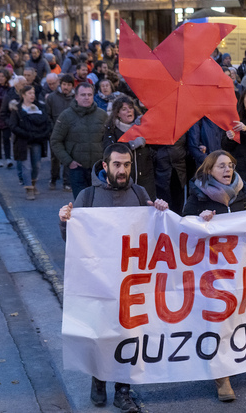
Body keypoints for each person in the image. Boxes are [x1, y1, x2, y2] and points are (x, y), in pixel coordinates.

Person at [58, 143, 168, 413]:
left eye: (127, 165)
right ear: (105, 165)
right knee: (101, 334)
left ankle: (123, 391)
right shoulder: (88, 196)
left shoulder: (139, 193)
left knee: (129, 336)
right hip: (99, 283)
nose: (122, 170)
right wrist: (65, 220)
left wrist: (161, 212)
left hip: (131, 282)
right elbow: (72, 239)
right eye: (117, 165)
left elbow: (155, 235)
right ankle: (98, 380)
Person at [181, 150, 246, 402]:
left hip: (240, 271)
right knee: (217, 321)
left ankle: (231, 360)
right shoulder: (197, 197)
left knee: (237, 319)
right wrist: (198, 220)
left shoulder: (243, 194)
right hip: (211, 274)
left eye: (230, 165)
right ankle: (222, 378)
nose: (228, 170)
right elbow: (183, 230)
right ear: (209, 170)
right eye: (221, 166)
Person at [50, 82, 108, 200]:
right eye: (83, 95)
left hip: (98, 169)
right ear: (76, 96)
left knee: (99, 203)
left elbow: (109, 140)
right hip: (77, 169)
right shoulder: (66, 116)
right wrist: (69, 161)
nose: (86, 97)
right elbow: (55, 141)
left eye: (89, 95)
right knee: (82, 203)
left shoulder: (102, 115)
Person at [102, 95, 156, 199]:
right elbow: (109, 151)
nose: (129, 111)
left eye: (131, 108)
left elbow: (155, 147)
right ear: (118, 113)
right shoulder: (111, 130)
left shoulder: (141, 127)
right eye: (124, 109)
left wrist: (146, 126)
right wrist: (131, 145)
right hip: (123, 179)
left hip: (146, 180)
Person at [9, 85, 52, 198]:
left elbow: (47, 123)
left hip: (37, 140)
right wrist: (27, 134)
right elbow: (13, 126)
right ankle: (29, 189)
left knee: (36, 165)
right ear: (23, 95)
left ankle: (33, 184)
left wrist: (42, 134)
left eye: (33, 93)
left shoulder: (40, 107)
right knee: (26, 166)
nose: (32, 95)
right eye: (29, 93)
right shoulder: (17, 109)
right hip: (23, 141)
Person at [46, 74, 76, 190]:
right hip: (55, 133)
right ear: (60, 84)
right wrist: (53, 129)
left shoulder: (76, 99)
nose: (66, 87)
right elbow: (47, 115)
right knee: (55, 158)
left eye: (68, 85)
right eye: (64, 84)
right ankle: (53, 178)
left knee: (68, 157)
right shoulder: (52, 97)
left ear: (72, 86)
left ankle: (67, 182)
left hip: (71, 134)